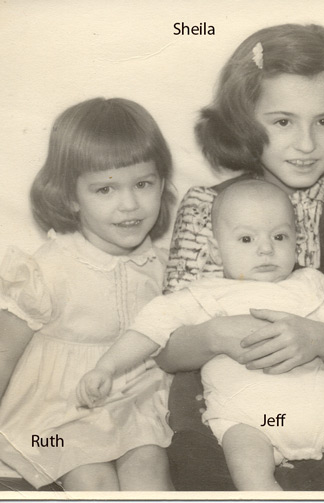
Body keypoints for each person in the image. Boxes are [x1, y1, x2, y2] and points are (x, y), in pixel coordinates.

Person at [155, 24, 324, 490]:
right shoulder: (205, 207)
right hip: (223, 421)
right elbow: (166, 349)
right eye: (283, 121)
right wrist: (215, 334)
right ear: (243, 119)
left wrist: (322, 339)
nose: (306, 144)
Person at [77, 180, 324, 491]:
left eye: (279, 236)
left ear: (296, 242)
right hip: (249, 419)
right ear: (216, 251)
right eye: (246, 239)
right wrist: (106, 368)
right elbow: (147, 331)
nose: (266, 249)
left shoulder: (310, 285)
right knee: (243, 457)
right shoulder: (202, 294)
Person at [0, 98, 176, 490]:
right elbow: (3, 353)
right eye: (105, 189)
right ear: (70, 197)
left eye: (143, 184)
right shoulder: (47, 269)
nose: (129, 204)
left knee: (149, 471)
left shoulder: (163, 265)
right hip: (59, 412)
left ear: (162, 184)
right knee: (93, 480)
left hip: (135, 401)